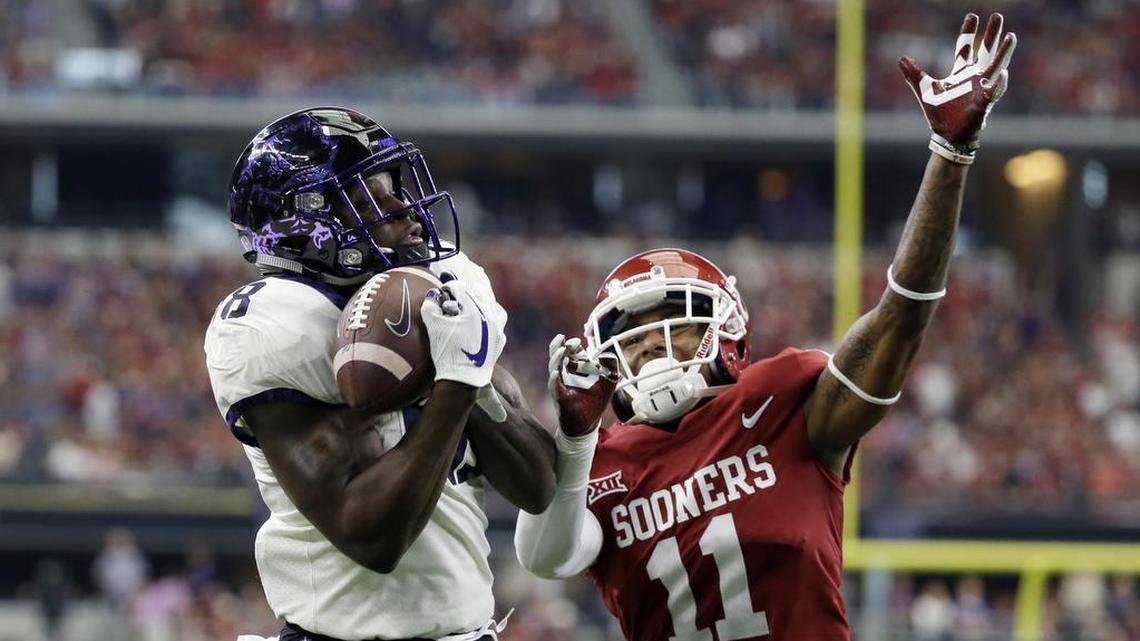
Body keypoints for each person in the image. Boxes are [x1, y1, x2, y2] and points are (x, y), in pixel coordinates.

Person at [515, 13, 1017, 641]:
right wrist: (572, 438)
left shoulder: (782, 402)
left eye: (672, 323)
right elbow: (546, 558)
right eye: (633, 334)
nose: (651, 345)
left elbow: (903, 312)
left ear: (723, 331)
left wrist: (950, 156)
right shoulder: (602, 460)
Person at [204, 107, 556, 641]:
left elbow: (537, 486)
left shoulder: (439, 284)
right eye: (373, 197)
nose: (408, 210)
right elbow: (373, 539)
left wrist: (475, 376)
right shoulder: (276, 327)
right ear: (306, 224)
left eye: (399, 188)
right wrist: (456, 382)